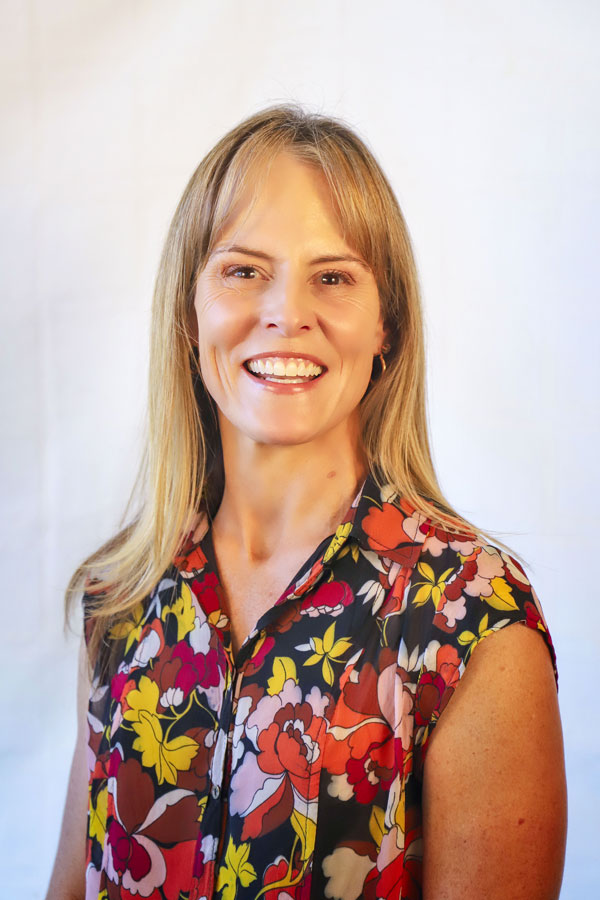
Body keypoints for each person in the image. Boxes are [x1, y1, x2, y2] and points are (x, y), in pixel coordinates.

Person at [46, 105, 567, 900]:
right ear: (190, 316)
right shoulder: (121, 598)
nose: (287, 313)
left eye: (333, 276)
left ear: (386, 322)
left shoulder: (474, 620)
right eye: (244, 270)